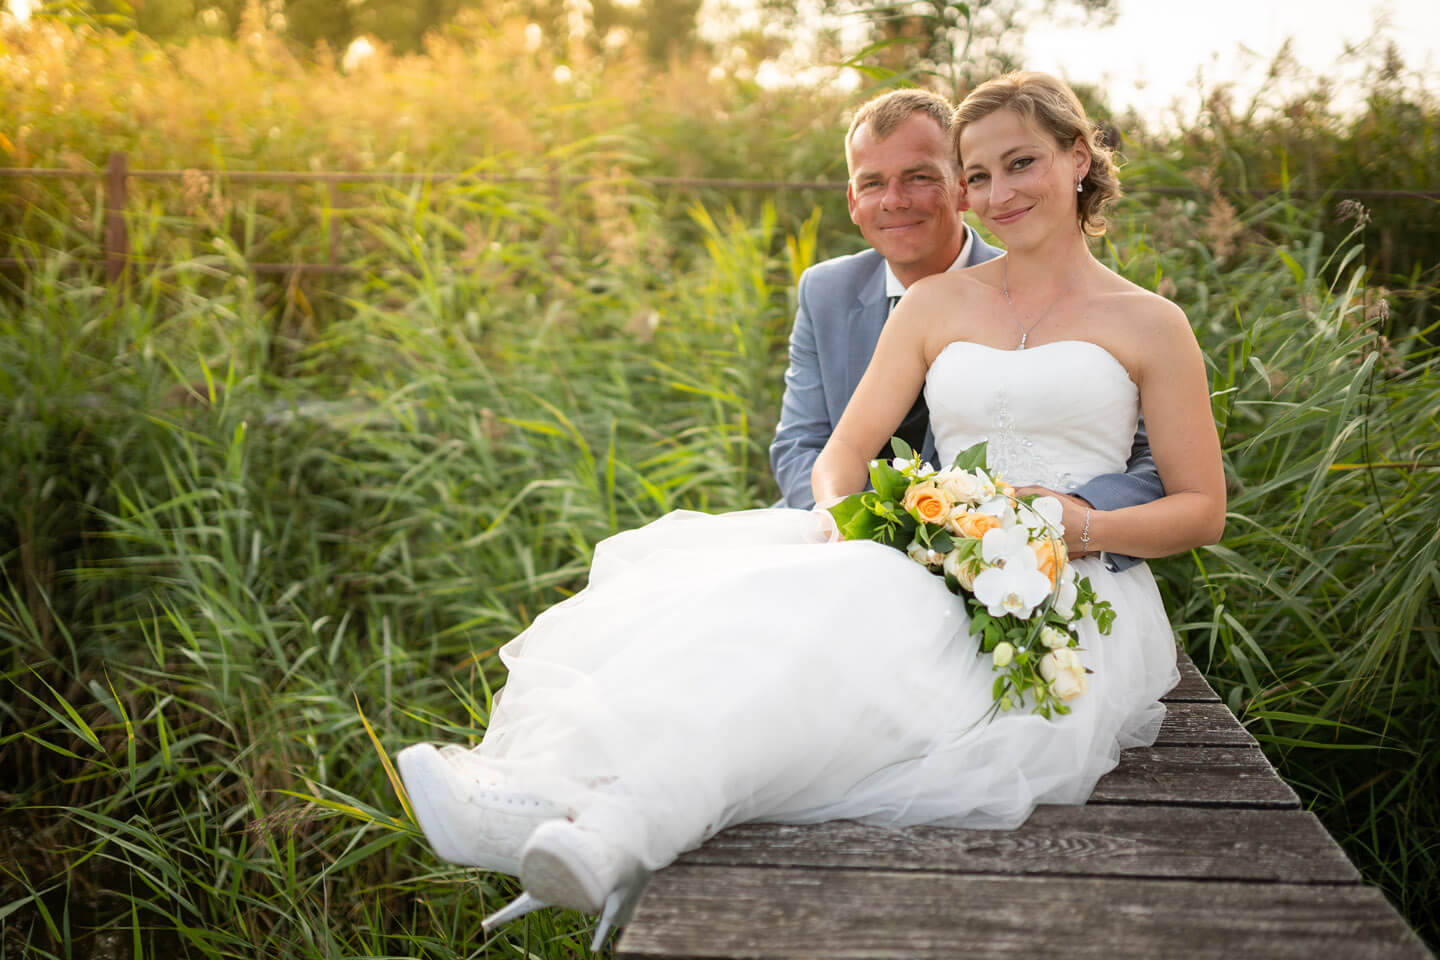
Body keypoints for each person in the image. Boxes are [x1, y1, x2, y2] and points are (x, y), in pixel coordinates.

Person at [396, 71, 1225, 950]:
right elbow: (837, 452)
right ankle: (562, 807)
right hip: (934, 549)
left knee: (840, 654)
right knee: (764, 616)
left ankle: (605, 827)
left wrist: (1072, 525)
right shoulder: (939, 304)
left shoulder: (1151, 323)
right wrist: (852, 523)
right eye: (979, 176)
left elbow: (1201, 508)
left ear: (1078, 157)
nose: (999, 193)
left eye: (1020, 164)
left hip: (1071, 586)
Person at [770, 87, 1164, 572]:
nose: (894, 200)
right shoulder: (825, 289)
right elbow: (802, 444)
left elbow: (1145, 453)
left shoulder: (1051, 296)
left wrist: (1073, 517)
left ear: (960, 189)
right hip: (853, 543)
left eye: (918, 177)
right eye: (872, 183)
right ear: (853, 200)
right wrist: (867, 533)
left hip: (1026, 553)